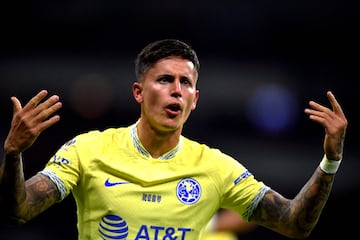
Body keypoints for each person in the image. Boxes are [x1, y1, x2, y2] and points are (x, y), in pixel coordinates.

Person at [0, 39, 347, 240]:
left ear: (195, 100)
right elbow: (18, 211)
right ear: (138, 92)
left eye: (186, 83)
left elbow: (293, 223)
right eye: (165, 80)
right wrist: (14, 153)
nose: (176, 91)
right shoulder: (88, 150)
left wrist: (330, 162)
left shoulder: (215, 167)